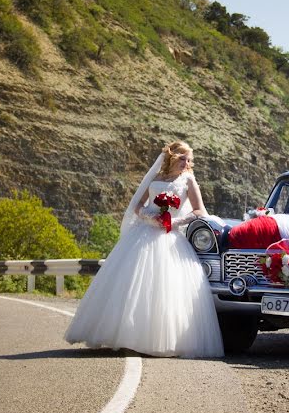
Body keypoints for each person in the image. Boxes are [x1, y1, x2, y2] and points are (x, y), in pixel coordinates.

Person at [64, 141, 224, 358]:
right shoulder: (155, 177)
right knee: (130, 284)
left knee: (163, 289)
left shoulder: (188, 180)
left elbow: (199, 210)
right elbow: (137, 205)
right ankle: (125, 337)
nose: (186, 163)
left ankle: (158, 340)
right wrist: (149, 217)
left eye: (188, 160)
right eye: (182, 158)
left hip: (170, 238)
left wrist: (174, 222)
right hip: (143, 233)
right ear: (171, 157)